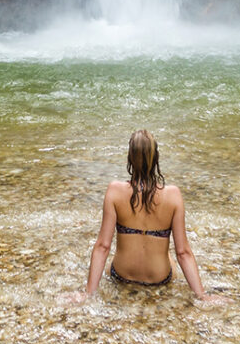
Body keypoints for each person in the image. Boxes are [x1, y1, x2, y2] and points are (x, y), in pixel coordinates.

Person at [68, 128, 222, 302]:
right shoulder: (173, 195)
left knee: (112, 257)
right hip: (159, 279)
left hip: (122, 276)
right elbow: (183, 253)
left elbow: (103, 246)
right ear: (155, 158)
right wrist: (201, 295)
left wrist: (88, 293)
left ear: (130, 159)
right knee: (170, 255)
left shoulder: (114, 191)